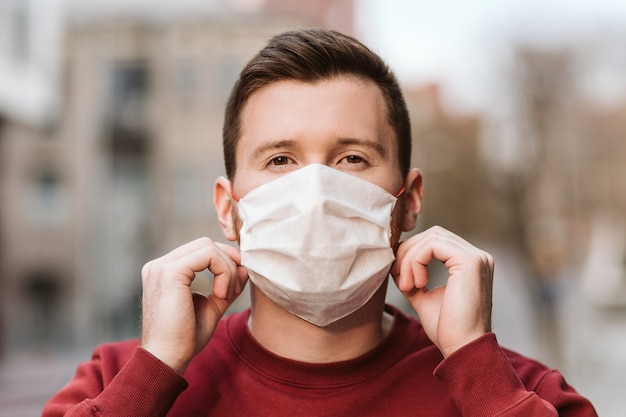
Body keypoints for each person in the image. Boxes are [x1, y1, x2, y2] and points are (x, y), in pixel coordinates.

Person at [43, 28, 597, 417]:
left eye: (351, 158)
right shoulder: (118, 383)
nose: (314, 193)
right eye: (279, 160)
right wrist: (156, 370)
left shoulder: (520, 393)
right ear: (227, 206)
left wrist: (477, 366)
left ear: (408, 200)